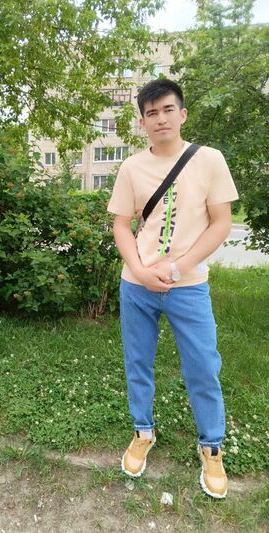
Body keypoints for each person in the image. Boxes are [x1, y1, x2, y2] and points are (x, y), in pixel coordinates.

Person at [107, 78, 238, 499]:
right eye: (151, 113)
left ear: (182, 114)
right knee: (138, 363)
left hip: (189, 286)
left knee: (202, 366)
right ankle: (142, 431)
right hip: (137, 286)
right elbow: (121, 225)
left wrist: (178, 268)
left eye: (167, 109)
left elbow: (221, 222)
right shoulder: (131, 168)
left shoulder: (209, 160)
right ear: (142, 122)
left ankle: (211, 446)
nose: (160, 118)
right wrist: (140, 270)